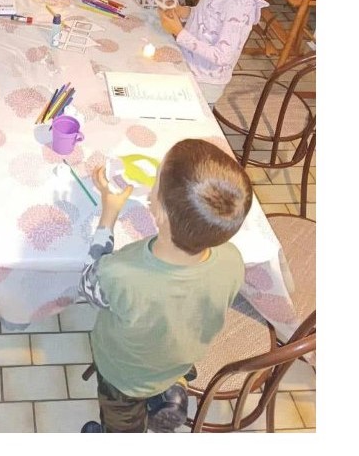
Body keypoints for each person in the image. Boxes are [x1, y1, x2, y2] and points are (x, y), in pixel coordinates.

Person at [78, 138, 252, 433]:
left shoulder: (120, 272)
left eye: (156, 178)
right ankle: (173, 389)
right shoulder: (233, 259)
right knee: (169, 350)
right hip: (179, 356)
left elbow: (87, 286)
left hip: (125, 375)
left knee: (122, 419)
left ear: (158, 212)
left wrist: (107, 218)